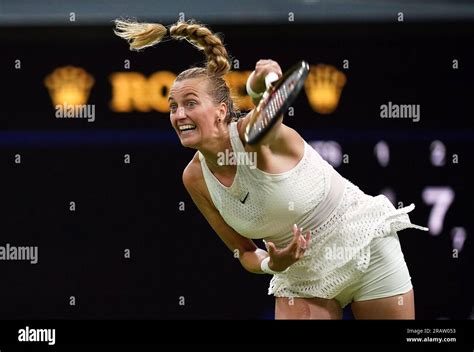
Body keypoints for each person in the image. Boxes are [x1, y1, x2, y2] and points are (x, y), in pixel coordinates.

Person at [114, 19, 429, 319]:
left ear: (222, 110)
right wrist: (272, 263)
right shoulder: (194, 178)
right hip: (301, 270)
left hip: (362, 241)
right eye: (172, 106)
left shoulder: (256, 135)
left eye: (190, 103)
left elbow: (268, 113)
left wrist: (257, 85)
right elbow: (244, 253)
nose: (179, 114)